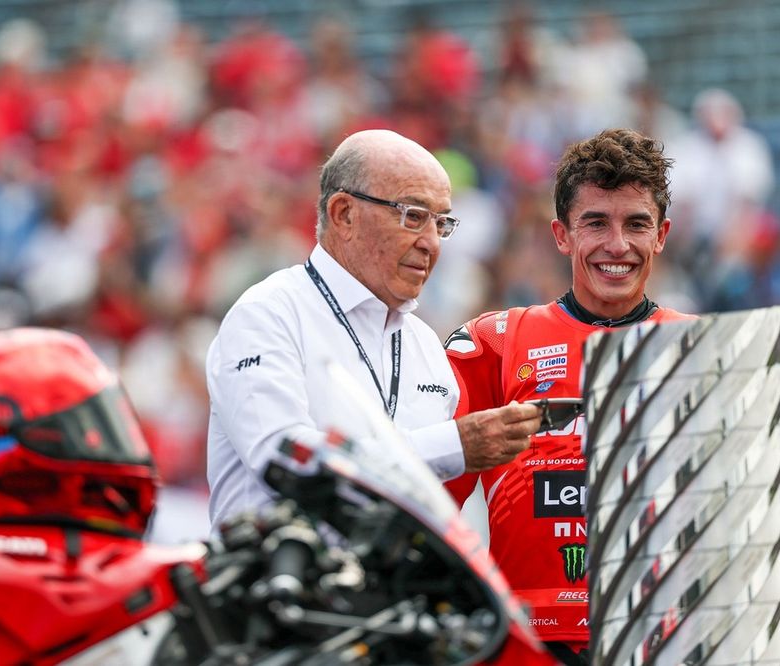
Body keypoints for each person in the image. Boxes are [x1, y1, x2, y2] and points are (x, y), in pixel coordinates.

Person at [445, 128, 780, 666]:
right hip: (527, 646)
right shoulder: (494, 343)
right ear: (561, 235)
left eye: (636, 224)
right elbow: (428, 497)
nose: (617, 245)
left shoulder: (710, 351)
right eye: (596, 223)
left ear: (661, 235)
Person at [205, 128, 543, 530]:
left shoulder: (424, 344)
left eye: (441, 223)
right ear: (344, 214)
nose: (432, 243)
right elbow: (285, 462)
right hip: (276, 569)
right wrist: (453, 445)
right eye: (414, 216)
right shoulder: (268, 314)